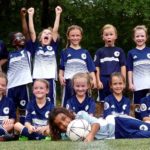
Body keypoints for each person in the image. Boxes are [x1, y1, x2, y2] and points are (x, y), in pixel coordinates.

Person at [49, 107, 150, 142]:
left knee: (146, 127)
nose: (64, 124)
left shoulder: (80, 115)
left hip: (117, 123)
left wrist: (91, 135)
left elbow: (96, 124)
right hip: (116, 136)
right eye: (59, 125)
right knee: (144, 136)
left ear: (67, 114)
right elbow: (53, 134)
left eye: (63, 118)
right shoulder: (68, 135)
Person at [27, 6, 62, 106]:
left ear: (52, 38)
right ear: (40, 37)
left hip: (50, 78)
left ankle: (51, 120)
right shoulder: (35, 47)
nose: (47, 34)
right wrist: (30, 15)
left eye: (49, 34)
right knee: (35, 102)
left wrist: (58, 14)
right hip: (37, 77)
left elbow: (55, 30)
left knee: (51, 103)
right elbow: (32, 31)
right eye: (44, 33)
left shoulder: (53, 47)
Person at [59, 25, 96, 107]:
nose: (75, 38)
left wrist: (94, 80)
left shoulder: (85, 52)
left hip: (83, 83)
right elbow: (62, 68)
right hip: (69, 82)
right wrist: (60, 76)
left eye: (77, 35)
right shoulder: (64, 51)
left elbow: (91, 69)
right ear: (68, 37)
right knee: (67, 103)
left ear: (81, 36)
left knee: (83, 103)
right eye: (72, 35)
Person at [94, 24, 126, 102]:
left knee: (116, 99)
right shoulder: (99, 51)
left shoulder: (119, 51)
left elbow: (123, 66)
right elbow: (96, 67)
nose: (109, 37)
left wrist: (124, 80)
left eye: (111, 34)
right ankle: (103, 114)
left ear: (115, 36)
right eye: (106, 35)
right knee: (103, 101)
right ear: (103, 37)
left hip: (116, 80)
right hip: (103, 79)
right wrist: (98, 81)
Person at [7, 31, 33, 124]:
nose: (22, 38)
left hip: (23, 85)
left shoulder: (28, 51)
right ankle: (9, 132)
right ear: (13, 41)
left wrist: (23, 17)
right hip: (10, 87)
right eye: (19, 37)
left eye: (22, 37)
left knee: (24, 109)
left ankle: (23, 131)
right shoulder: (9, 55)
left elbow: (27, 32)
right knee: (10, 110)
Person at [127, 25, 150, 119]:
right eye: (137, 36)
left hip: (149, 84)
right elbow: (130, 69)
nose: (140, 38)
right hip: (138, 86)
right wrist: (130, 83)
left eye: (142, 36)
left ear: (146, 37)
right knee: (138, 107)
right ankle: (139, 125)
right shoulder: (131, 53)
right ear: (133, 38)